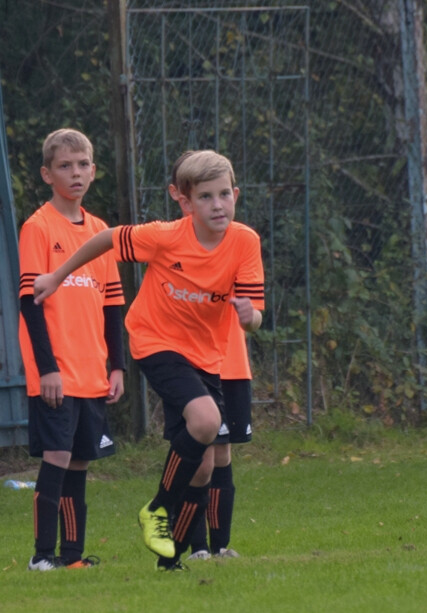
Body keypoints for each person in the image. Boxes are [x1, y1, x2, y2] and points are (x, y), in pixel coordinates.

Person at [34, 149, 265, 572]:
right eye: (205, 197)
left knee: (204, 466)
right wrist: (57, 275)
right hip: (155, 341)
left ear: (235, 195)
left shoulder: (245, 241)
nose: (217, 205)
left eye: (223, 195)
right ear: (186, 202)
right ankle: (157, 508)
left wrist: (250, 317)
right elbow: (107, 239)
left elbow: (254, 316)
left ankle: (169, 560)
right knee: (207, 421)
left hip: (206, 356)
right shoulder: (165, 236)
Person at [17, 129, 125, 571]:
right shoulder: (38, 227)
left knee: (80, 461)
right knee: (57, 457)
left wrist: (117, 366)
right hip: (56, 372)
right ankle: (42, 555)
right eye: (65, 166)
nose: (75, 173)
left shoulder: (99, 232)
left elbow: (113, 304)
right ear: (47, 174)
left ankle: (73, 556)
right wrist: (47, 368)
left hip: (92, 371)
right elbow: (30, 303)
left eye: (82, 165)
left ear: (93, 171)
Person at [188, 317, 252, 560]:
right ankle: (197, 546)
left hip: (232, 366)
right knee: (201, 457)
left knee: (223, 453)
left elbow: (252, 316)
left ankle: (220, 547)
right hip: (195, 364)